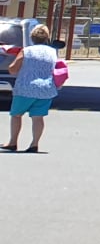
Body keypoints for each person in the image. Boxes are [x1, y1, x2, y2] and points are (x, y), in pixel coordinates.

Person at [5, 24, 61, 153]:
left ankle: (13, 142)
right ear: (46, 38)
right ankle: (34, 144)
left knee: (16, 115)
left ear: (32, 38)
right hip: (46, 89)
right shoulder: (53, 52)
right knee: (38, 117)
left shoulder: (26, 51)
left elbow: (13, 69)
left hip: (25, 88)